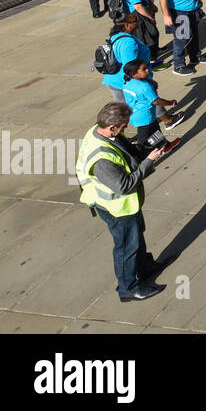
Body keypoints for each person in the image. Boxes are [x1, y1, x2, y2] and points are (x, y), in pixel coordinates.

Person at [75, 103, 168, 303]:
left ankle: (145, 268)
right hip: (116, 207)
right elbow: (124, 185)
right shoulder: (101, 158)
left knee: (136, 236)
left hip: (125, 205)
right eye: (124, 127)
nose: (126, 129)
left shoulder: (100, 131)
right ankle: (127, 288)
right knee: (126, 247)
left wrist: (142, 151)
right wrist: (148, 162)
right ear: (112, 127)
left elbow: (124, 152)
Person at [122, 58, 186, 145]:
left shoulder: (127, 82)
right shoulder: (145, 86)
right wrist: (171, 103)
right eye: (144, 69)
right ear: (135, 74)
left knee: (156, 130)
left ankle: (165, 145)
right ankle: (142, 155)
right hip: (145, 117)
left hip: (135, 114)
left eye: (146, 67)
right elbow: (157, 101)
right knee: (143, 140)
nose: (147, 70)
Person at [101, 14, 150, 104]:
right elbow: (131, 66)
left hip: (114, 80)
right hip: (123, 82)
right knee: (147, 102)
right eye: (135, 22)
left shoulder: (115, 36)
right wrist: (144, 82)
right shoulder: (128, 42)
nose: (138, 24)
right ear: (126, 25)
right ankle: (166, 118)